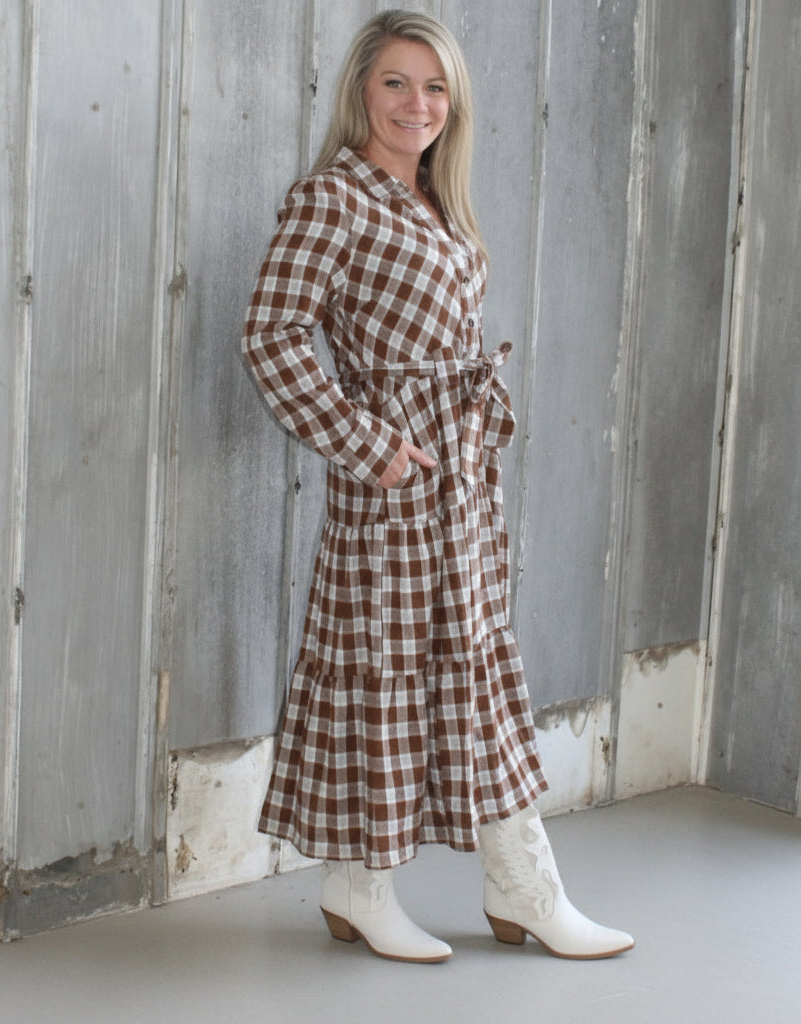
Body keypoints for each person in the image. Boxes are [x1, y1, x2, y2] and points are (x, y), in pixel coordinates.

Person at [242, 9, 633, 964]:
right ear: (360, 92)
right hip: (395, 479)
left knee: (468, 673)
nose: (417, 104)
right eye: (395, 83)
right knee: (385, 671)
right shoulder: (331, 198)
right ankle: (413, 886)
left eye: (435, 87)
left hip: (460, 479)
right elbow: (271, 334)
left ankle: (487, 887)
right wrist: (367, 444)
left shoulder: (432, 200)